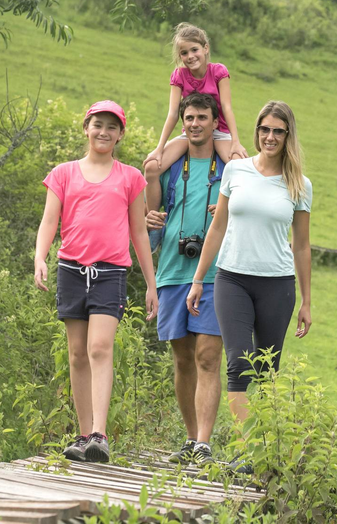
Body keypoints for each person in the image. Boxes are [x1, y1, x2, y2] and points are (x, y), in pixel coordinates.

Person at [187, 100, 312, 469]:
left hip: (277, 284)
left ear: (288, 136)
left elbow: (302, 245)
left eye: (278, 131)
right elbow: (218, 227)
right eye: (264, 129)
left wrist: (307, 300)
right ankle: (250, 453)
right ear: (256, 131)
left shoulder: (299, 184)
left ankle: (267, 453)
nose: (270, 137)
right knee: (238, 362)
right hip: (232, 279)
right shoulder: (236, 171)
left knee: (268, 371)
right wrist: (198, 281)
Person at [34, 100, 158, 464]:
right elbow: (48, 222)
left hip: (110, 273)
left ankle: (100, 436)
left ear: (120, 134)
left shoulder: (130, 177)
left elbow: (139, 232)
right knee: (76, 354)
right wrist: (40, 257)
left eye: (111, 126)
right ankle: (83, 433)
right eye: (97, 125)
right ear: (86, 128)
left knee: (100, 348)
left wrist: (151, 284)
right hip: (71, 270)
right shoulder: (63, 173)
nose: (103, 132)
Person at [145, 92, 226, 465]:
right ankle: (191, 439)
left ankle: (205, 444)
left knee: (208, 356)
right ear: (183, 123)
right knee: (182, 360)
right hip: (173, 271)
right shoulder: (170, 167)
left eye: (202, 117)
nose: (195, 124)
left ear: (215, 122)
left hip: (215, 274)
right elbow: (152, 221)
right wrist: (149, 217)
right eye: (189, 118)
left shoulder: (228, 169)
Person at [145, 23, 247, 178]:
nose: (190, 56)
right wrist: (159, 148)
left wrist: (235, 141)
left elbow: (227, 108)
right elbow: (173, 114)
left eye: (194, 50)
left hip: (219, 132)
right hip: (192, 132)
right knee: (152, 167)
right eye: (184, 53)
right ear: (180, 56)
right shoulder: (179, 75)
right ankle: (151, 203)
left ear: (205, 48)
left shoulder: (218, 71)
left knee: (239, 167)